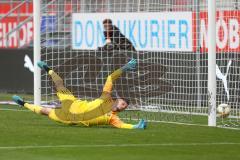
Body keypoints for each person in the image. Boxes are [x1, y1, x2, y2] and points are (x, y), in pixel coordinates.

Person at [13, 59, 146, 129]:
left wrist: (136, 126)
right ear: (117, 100)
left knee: (45, 111)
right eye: (123, 103)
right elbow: (110, 78)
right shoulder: (106, 98)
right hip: (73, 103)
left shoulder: (112, 118)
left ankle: (23, 103)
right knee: (60, 85)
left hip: (68, 118)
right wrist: (124, 68)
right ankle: (48, 69)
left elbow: (123, 126)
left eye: (125, 107)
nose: (123, 106)